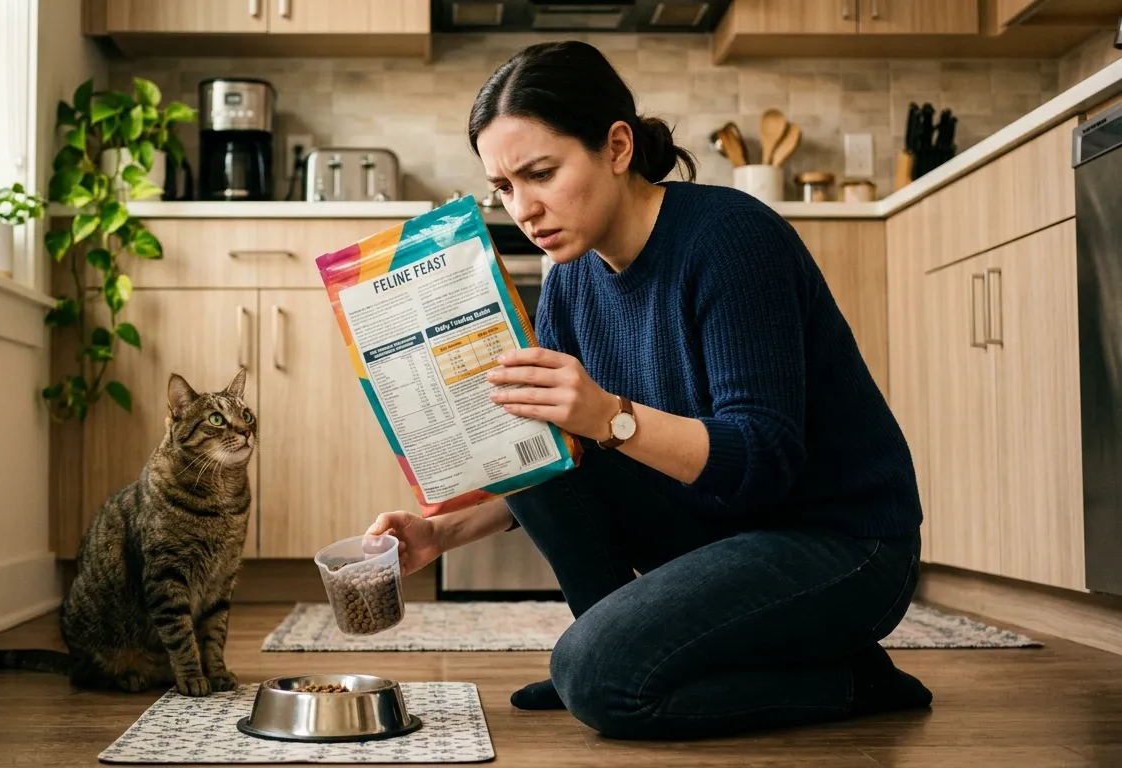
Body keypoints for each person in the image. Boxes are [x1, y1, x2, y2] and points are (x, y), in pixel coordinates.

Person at [366, 39, 932, 741]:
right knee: (531, 429)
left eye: (542, 173)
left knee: (599, 681)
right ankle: (622, 647)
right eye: (504, 189)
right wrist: (440, 532)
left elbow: (766, 460)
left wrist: (607, 414)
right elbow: (558, 464)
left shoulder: (730, 239)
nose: (524, 209)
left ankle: (847, 678)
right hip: (719, 530)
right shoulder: (571, 276)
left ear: (617, 146)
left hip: (840, 544)